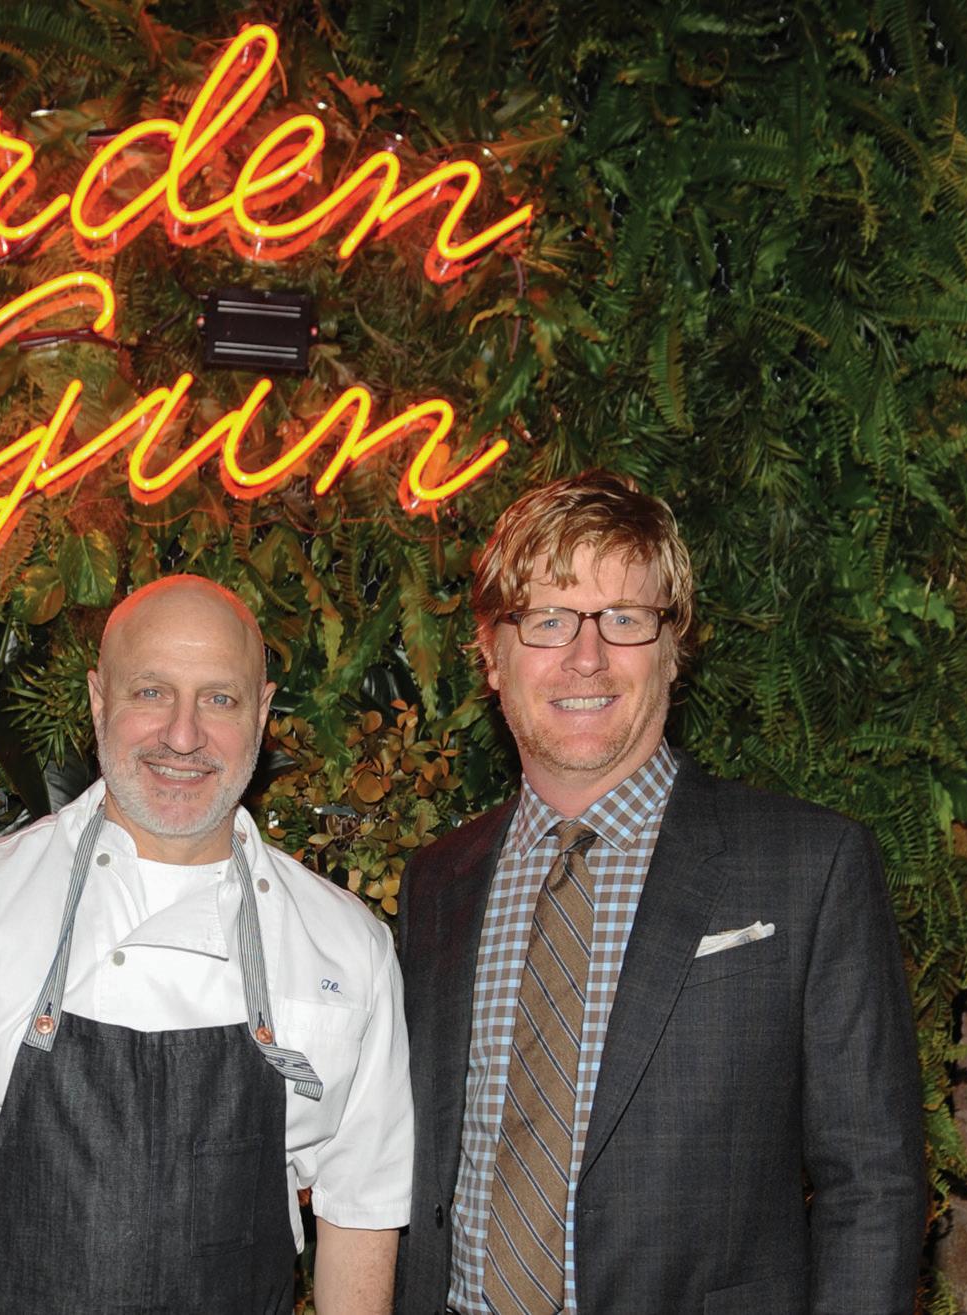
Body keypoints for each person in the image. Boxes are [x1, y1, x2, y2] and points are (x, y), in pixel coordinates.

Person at [394, 470, 924, 1314]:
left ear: (673, 648)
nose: (585, 656)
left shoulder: (809, 865)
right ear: (491, 654)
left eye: (624, 618)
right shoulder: (435, 880)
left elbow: (872, 1184)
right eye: (547, 619)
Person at [0, 575, 411, 1315]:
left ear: (263, 713)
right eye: (150, 692)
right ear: (98, 699)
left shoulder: (346, 947)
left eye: (219, 698)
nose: (183, 735)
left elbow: (361, 1219)